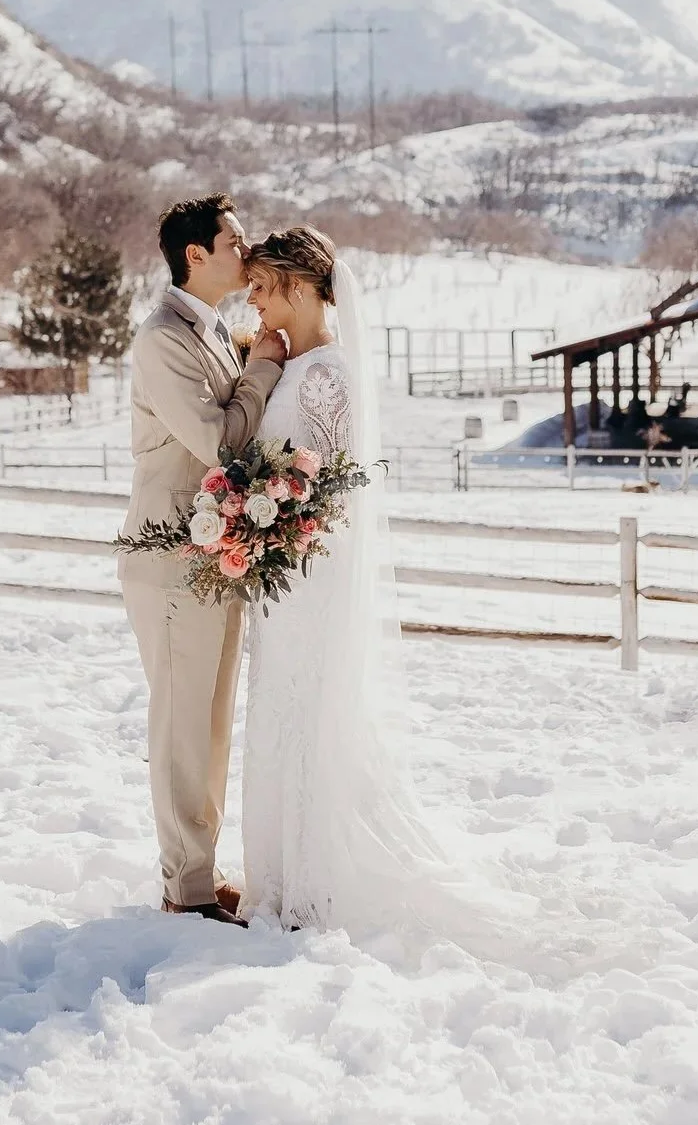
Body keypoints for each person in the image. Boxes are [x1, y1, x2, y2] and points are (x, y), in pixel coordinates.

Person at [238, 227, 515, 937]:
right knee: (278, 713)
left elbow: (334, 489)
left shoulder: (328, 374)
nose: (255, 303)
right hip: (282, 577)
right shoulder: (289, 364)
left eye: (264, 288)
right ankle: (278, 871)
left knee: (306, 712)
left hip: (310, 575)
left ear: (301, 287)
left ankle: (312, 883)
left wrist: (276, 521)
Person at [119, 194, 286, 923]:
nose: (245, 253)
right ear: (197, 254)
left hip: (211, 553)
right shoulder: (163, 338)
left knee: (212, 720)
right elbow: (219, 441)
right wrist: (265, 368)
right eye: (234, 241)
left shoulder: (215, 332)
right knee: (181, 722)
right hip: (168, 557)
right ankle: (183, 889)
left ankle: (196, 873)